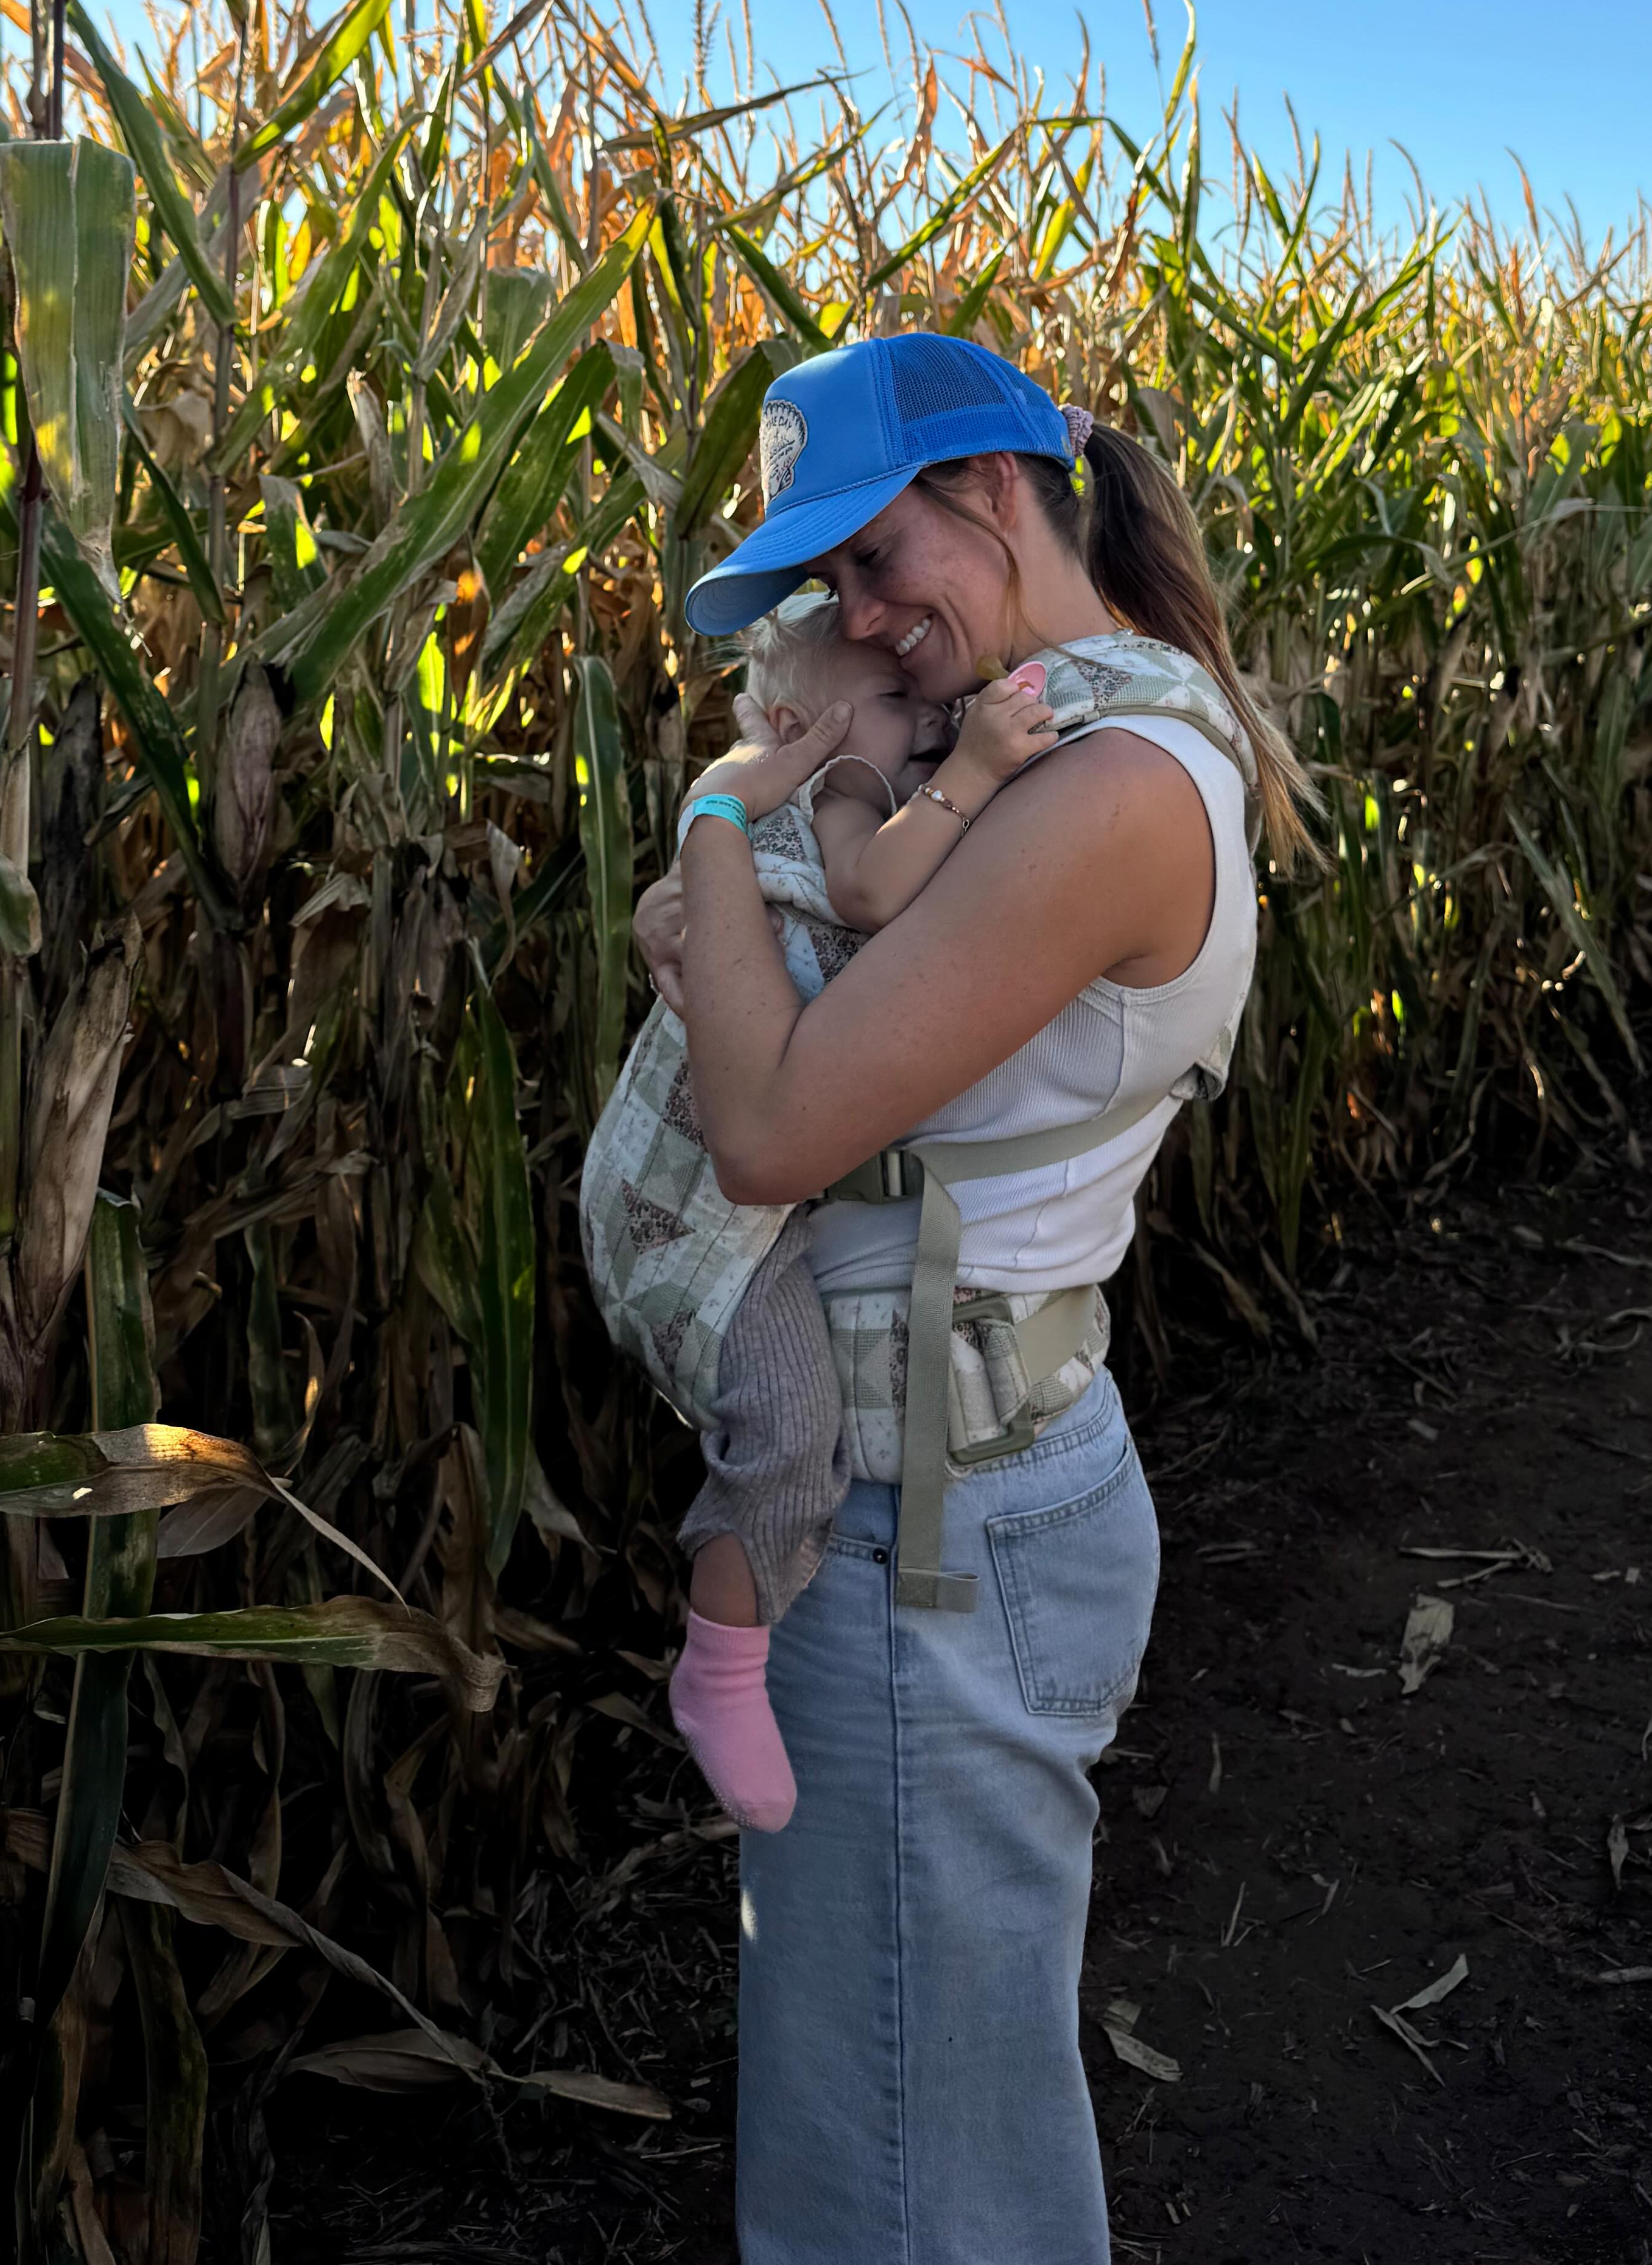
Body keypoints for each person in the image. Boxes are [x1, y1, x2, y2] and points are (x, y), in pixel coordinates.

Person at [632, 328, 1310, 2265]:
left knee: (909, 2185)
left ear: (998, 492)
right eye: (826, 583)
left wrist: (713, 818)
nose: (856, 613)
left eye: (874, 557)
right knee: (923, 2121)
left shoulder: (1104, 786)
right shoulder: (1037, 741)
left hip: (935, 1527)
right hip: (945, 1485)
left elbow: (767, 1123)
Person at [585, 594, 1058, 1834]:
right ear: (800, 724)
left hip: (704, 1208)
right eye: (899, 700)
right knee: (795, 1435)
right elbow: (866, 895)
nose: (932, 714)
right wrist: (981, 764)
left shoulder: (786, 799)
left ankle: (737, 1639)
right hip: (694, 1219)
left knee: (806, 1437)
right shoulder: (844, 794)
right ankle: (719, 1669)